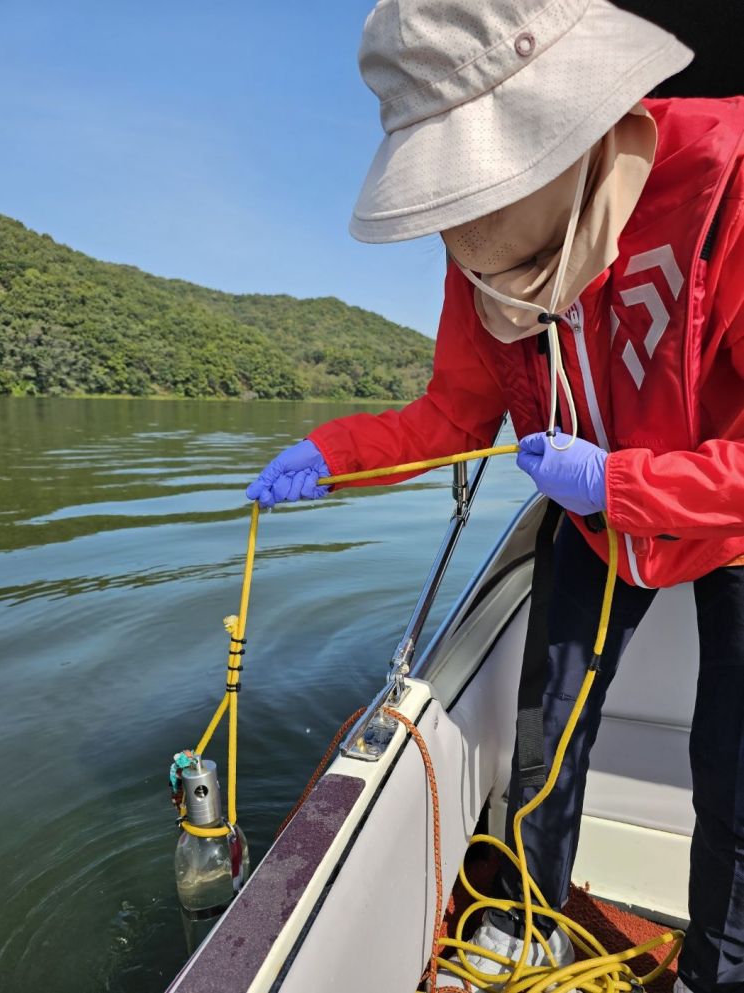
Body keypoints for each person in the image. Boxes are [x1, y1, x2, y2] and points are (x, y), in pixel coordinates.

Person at [247, 2, 744, 990]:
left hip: (719, 524)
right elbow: (449, 420)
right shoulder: (477, 242)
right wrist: (331, 453)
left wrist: (619, 477)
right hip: (595, 533)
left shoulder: (728, 188)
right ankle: (525, 916)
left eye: (521, 264)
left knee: (732, 776)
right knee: (544, 741)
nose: (497, 284)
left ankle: (713, 969)